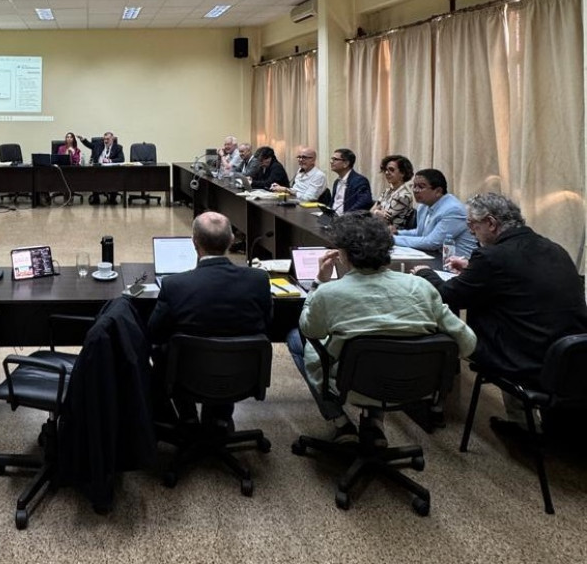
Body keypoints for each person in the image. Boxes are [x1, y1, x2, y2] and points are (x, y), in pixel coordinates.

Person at [287, 212, 476, 445]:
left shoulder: (329, 293)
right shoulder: (421, 287)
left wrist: (319, 282)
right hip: (417, 384)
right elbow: (467, 343)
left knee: (297, 338)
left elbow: (310, 330)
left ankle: (340, 421)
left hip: (355, 385)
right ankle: (374, 424)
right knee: (383, 347)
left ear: (343, 255)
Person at [413, 193, 587, 431]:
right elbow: (520, 277)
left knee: (447, 324)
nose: (471, 233)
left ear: (491, 223)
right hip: (570, 357)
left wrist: (425, 272)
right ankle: (525, 421)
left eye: (472, 226)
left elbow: (449, 295)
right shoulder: (554, 248)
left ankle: (432, 399)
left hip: (522, 359)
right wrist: (473, 269)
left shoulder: (492, 257)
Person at [148, 211, 272, 430]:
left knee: (160, 348)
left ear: (194, 242)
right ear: (232, 240)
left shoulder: (175, 285)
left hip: (186, 377)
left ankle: (187, 416)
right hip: (241, 376)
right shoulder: (259, 280)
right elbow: (267, 323)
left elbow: (154, 332)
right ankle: (221, 418)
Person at [393, 168, 477, 258]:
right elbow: (420, 233)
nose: (415, 190)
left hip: (456, 265)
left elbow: (432, 243)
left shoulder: (453, 210)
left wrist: (391, 239)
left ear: (438, 191)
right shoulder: (424, 205)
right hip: (433, 257)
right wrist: (397, 233)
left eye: (421, 187)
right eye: (414, 186)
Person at [77, 131, 125, 204]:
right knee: (93, 177)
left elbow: (121, 159)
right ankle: (96, 199)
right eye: (104, 139)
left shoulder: (118, 147)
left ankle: (112, 199)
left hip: (111, 170)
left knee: (116, 178)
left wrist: (110, 160)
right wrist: (83, 139)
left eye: (108, 139)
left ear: (112, 139)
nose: (105, 141)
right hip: (98, 169)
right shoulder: (99, 145)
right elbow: (90, 145)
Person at [371, 155, 415, 229]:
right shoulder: (387, 191)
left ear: (402, 173)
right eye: (386, 170)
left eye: (391, 170)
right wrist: (377, 212)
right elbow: (371, 211)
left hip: (392, 234)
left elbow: (384, 219)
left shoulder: (404, 196)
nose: (387, 173)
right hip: (378, 229)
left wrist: (376, 211)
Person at [328, 148, 373, 215]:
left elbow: (364, 202)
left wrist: (346, 216)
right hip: (333, 219)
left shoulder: (359, 180)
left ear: (346, 163)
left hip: (349, 221)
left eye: (335, 159)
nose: (331, 162)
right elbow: (333, 203)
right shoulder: (337, 182)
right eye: (332, 159)